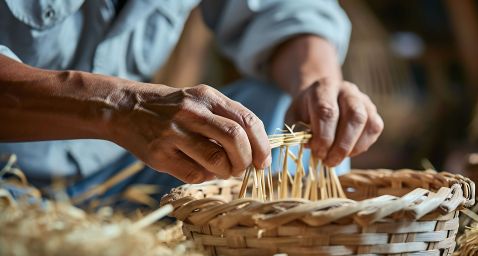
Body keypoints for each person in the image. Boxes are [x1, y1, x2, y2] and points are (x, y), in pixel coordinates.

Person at [0, 0, 383, 207]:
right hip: (7, 179)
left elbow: (283, 10)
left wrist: (319, 87)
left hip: (124, 170)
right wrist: (115, 106)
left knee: (279, 109)